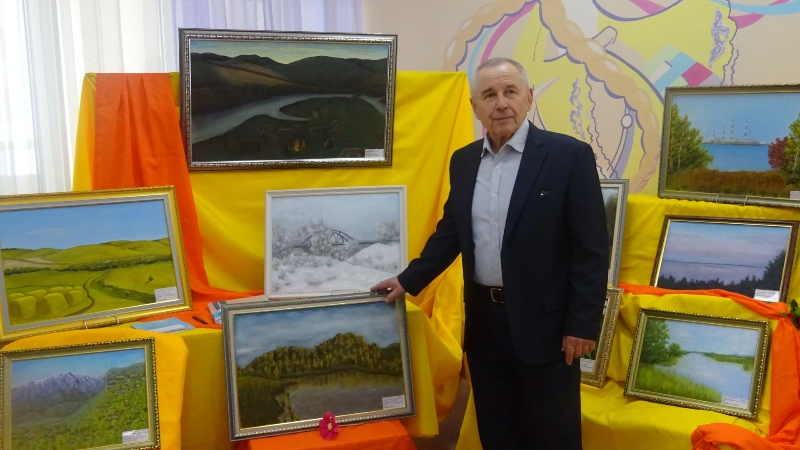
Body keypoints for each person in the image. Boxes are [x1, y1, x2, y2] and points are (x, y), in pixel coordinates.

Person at [371, 57, 608, 450]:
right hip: (486, 326)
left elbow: (592, 249)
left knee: (554, 435)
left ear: (528, 97)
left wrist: (582, 324)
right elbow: (450, 232)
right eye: (490, 95)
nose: (501, 103)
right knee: (497, 433)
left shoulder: (569, 157)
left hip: (547, 327)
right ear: (475, 106)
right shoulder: (464, 162)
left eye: (510, 92)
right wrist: (408, 280)